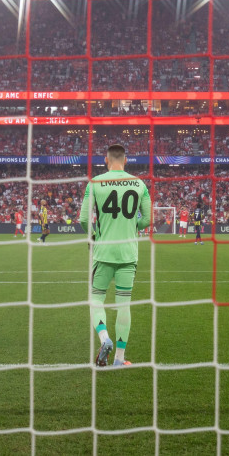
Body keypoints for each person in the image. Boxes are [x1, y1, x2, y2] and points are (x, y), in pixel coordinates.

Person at [78, 144, 151, 368]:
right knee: (124, 304)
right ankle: (119, 359)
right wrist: (131, 227)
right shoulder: (139, 184)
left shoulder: (95, 183)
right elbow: (147, 220)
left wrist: (95, 235)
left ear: (106, 160)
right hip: (128, 254)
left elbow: (83, 219)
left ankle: (104, 338)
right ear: (126, 160)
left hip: (104, 252)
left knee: (96, 299)